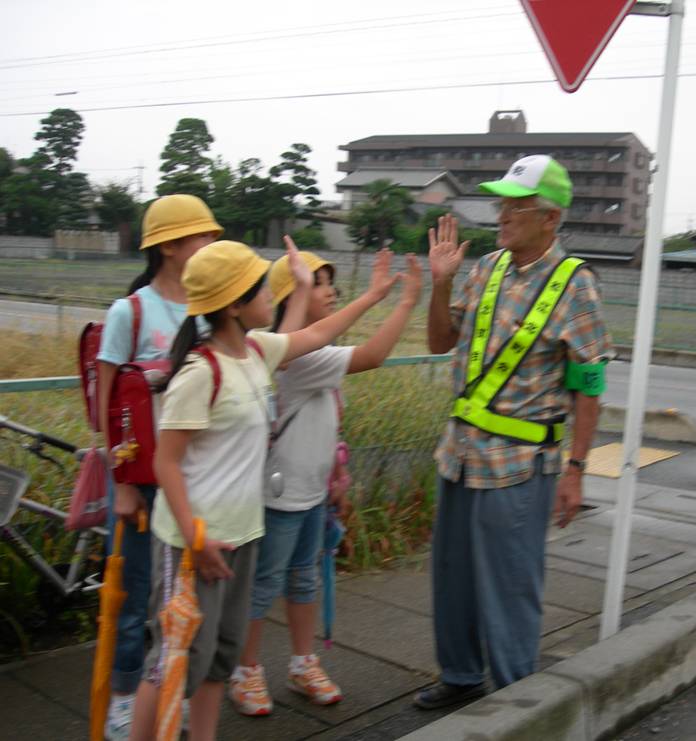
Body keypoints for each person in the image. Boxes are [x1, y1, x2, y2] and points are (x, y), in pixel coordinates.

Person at [127, 240, 409, 741]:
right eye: (261, 287)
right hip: (193, 547)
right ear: (235, 304)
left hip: (242, 536)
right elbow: (164, 463)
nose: (269, 295)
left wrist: (374, 295)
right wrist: (195, 536)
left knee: (219, 657)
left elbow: (319, 331)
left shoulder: (257, 352)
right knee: (170, 663)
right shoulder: (200, 371)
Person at [416, 155, 612, 709]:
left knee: (509, 587)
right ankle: (459, 677)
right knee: (451, 578)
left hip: (521, 465)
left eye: (516, 205)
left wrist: (577, 470)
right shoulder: (485, 268)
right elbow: (438, 342)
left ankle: (516, 705)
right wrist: (441, 283)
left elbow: (590, 385)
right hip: (459, 453)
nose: (502, 213)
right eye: (501, 201)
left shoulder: (577, 287)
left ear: (550, 218)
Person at [227, 248, 422, 716]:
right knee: (266, 582)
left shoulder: (305, 352)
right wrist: (400, 301)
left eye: (331, 282)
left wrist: (335, 477)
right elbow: (373, 355)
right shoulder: (293, 355)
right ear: (290, 294)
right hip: (280, 495)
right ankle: (246, 671)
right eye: (318, 283)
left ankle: (301, 662)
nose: (331, 290)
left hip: (309, 492)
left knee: (303, 579)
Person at [96, 194, 222, 741]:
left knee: (178, 600)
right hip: (141, 485)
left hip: (191, 481)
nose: (212, 246)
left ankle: (167, 691)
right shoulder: (131, 312)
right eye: (203, 238)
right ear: (170, 247)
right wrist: (121, 486)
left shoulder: (207, 308)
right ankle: (125, 698)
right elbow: (108, 406)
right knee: (137, 594)